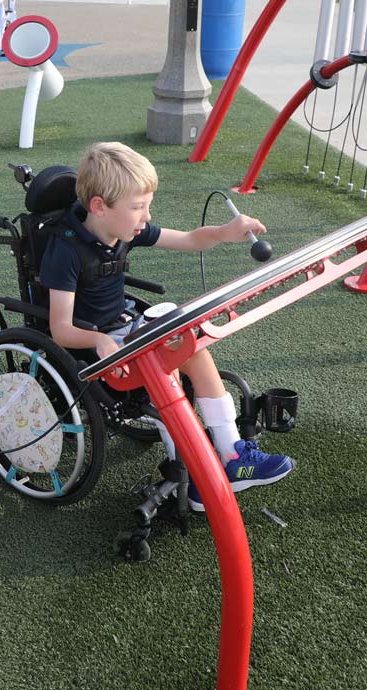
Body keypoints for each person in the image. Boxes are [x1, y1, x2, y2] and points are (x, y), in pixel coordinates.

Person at [39, 142, 295, 511]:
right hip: (93, 347)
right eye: (138, 207)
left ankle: (233, 454)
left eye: (147, 206)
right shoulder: (65, 251)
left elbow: (190, 240)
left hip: (125, 329)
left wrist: (225, 231)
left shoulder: (123, 228)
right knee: (167, 356)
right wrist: (98, 340)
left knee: (190, 341)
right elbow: (60, 328)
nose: (146, 217)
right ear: (99, 206)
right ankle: (193, 475)